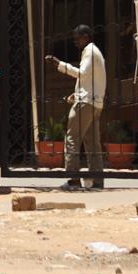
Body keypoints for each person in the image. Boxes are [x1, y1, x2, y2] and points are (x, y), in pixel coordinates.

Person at [53, 24, 107, 191]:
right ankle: (97, 181)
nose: (76, 42)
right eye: (74, 39)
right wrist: (75, 95)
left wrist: (59, 65)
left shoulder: (90, 51)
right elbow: (87, 79)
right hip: (95, 102)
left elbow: (82, 73)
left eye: (78, 38)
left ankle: (73, 179)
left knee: (72, 139)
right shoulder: (94, 51)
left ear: (86, 36)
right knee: (92, 143)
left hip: (86, 103)